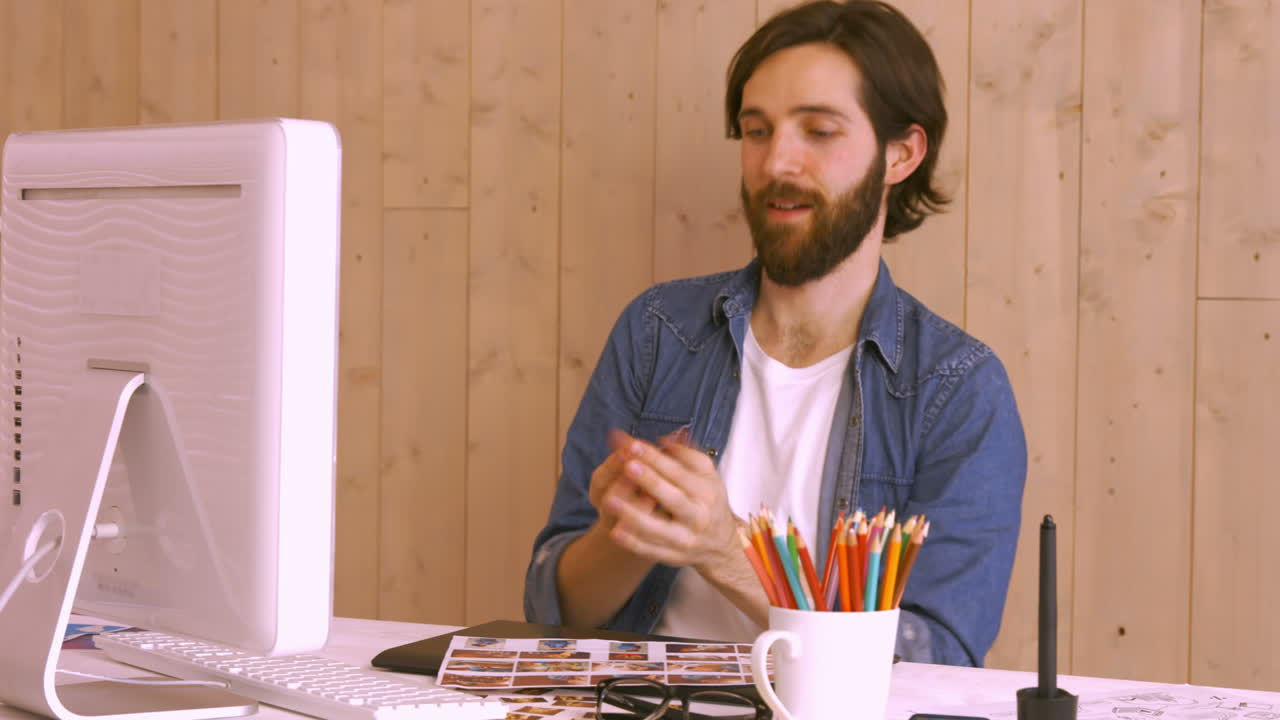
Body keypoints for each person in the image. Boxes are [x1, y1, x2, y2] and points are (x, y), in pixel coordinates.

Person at [524, 0, 1026, 667]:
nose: (777, 162)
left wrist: (724, 550)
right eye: (757, 131)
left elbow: (935, 664)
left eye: (818, 131)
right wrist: (630, 534)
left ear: (901, 153)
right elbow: (555, 610)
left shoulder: (957, 390)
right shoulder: (657, 332)